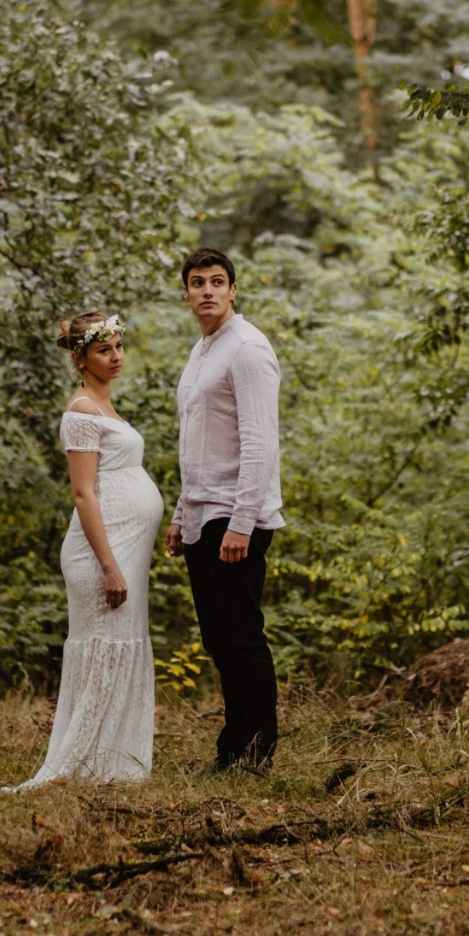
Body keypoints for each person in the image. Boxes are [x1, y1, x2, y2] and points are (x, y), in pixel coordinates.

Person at [6, 311, 163, 790]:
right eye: (103, 350)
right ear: (80, 358)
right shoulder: (79, 412)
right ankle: (82, 762)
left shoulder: (103, 407)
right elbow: (83, 493)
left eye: (118, 346)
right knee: (103, 650)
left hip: (125, 550)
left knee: (120, 646)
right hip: (102, 556)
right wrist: (110, 567)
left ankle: (111, 761)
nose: (115, 357)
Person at [164, 249, 285, 770]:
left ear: (233, 290)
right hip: (202, 513)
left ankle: (255, 750)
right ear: (186, 293)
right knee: (218, 639)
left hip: (235, 517)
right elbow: (200, 442)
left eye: (218, 281)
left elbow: (261, 444)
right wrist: (179, 513)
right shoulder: (202, 350)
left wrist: (240, 522)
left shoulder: (247, 349)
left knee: (241, 636)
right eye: (198, 282)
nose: (208, 290)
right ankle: (234, 745)